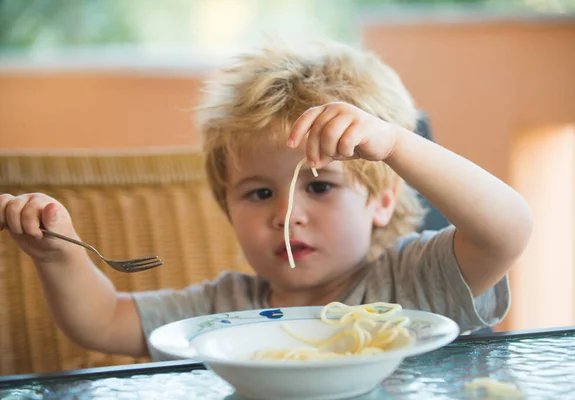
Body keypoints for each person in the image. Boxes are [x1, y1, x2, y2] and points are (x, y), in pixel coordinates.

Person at [0, 41, 532, 360]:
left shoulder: (414, 281)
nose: (286, 214)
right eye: (258, 192)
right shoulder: (225, 311)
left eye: (320, 185)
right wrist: (60, 256)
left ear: (382, 202)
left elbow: (506, 230)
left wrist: (394, 144)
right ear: (227, 207)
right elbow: (102, 321)